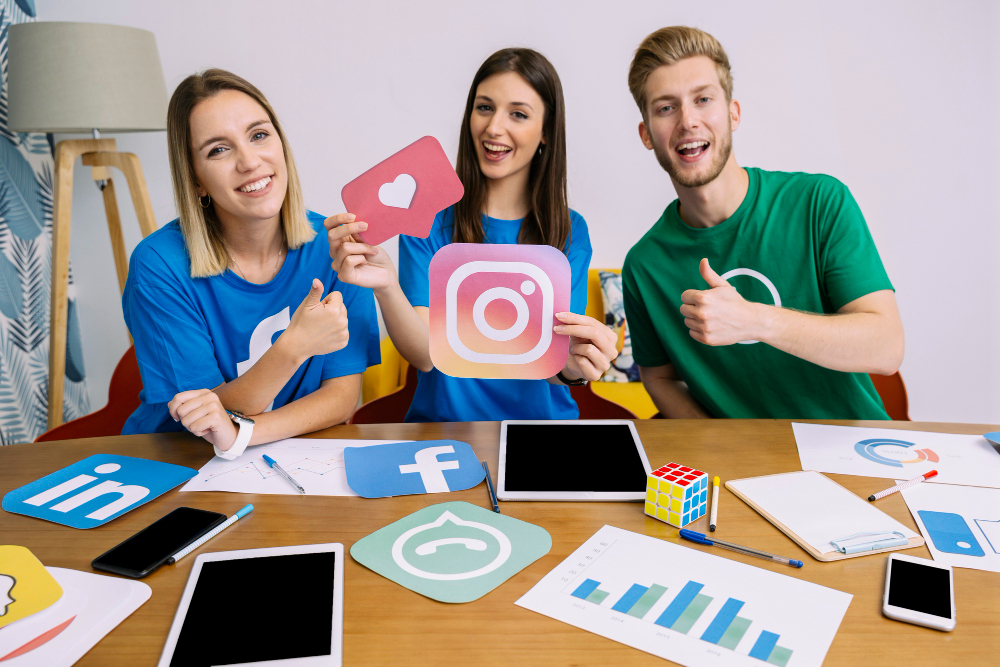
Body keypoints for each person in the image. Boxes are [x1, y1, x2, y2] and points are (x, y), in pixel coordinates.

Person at [621, 27, 904, 419]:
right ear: (646, 134)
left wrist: (754, 320)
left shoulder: (819, 202)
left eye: (703, 99)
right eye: (666, 108)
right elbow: (660, 378)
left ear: (733, 113)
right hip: (741, 475)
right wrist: (722, 454)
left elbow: (886, 347)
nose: (688, 121)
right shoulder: (644, 265)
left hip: (856, 456)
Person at [328, 48, 619, 422]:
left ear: (546, 131)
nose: (494, 128)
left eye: (518, 113)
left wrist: (577, 369)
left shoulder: (569, 230)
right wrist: (386, 286)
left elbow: (552, 363)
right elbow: (426, 356)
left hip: (540, 434)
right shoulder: (429, 217)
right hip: (444, 431)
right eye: (484, 108)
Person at [122, 69, 379, 456]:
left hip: (286, 456)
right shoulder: (160, 266)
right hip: (178, 461)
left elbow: (342, 398)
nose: (249, 162)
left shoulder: (336, 245)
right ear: (196, 180)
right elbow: (201, 422)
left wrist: (243, 434)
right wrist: (293, 347)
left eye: (259, 135)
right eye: (218, 150)